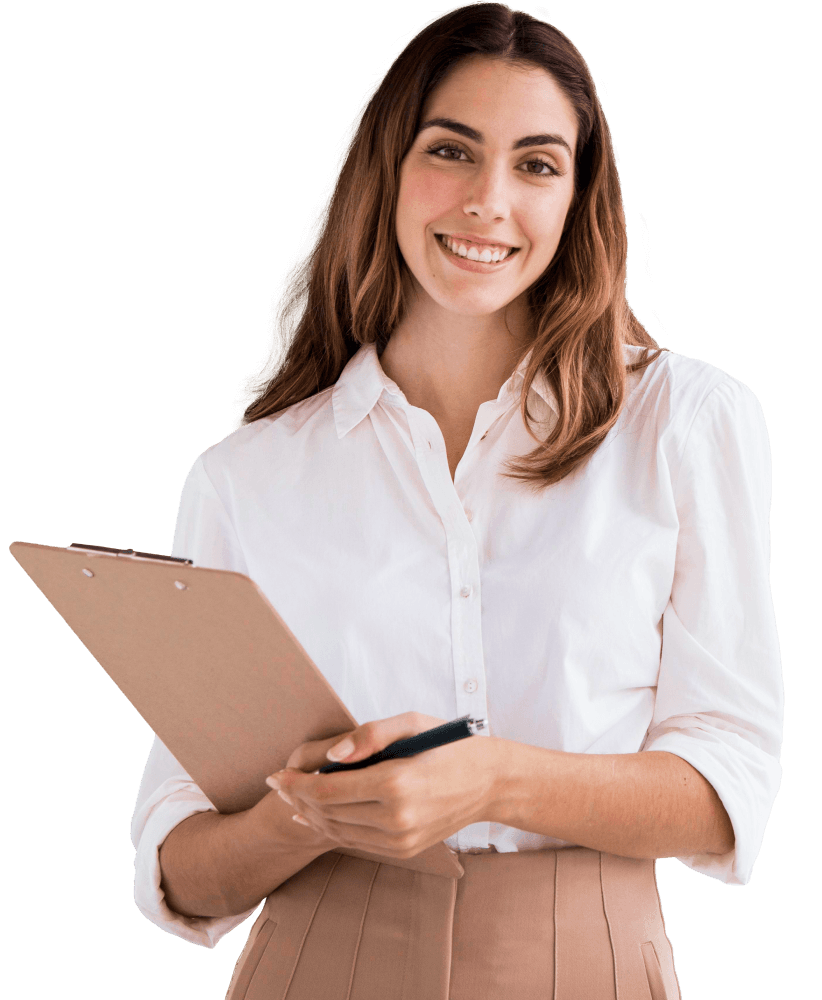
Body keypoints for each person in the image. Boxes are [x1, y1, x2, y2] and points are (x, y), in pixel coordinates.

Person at [129, 4, 783, 997]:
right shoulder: (247, 476)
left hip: (588, 957)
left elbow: (729, 780)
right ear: (386, 168)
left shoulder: (685, 422)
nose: (488, 201)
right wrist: (306, 812)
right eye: (452, 151)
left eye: (536, 164)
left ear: (577, 197)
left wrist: (490, 777)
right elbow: (182, 866)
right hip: (317, 959)